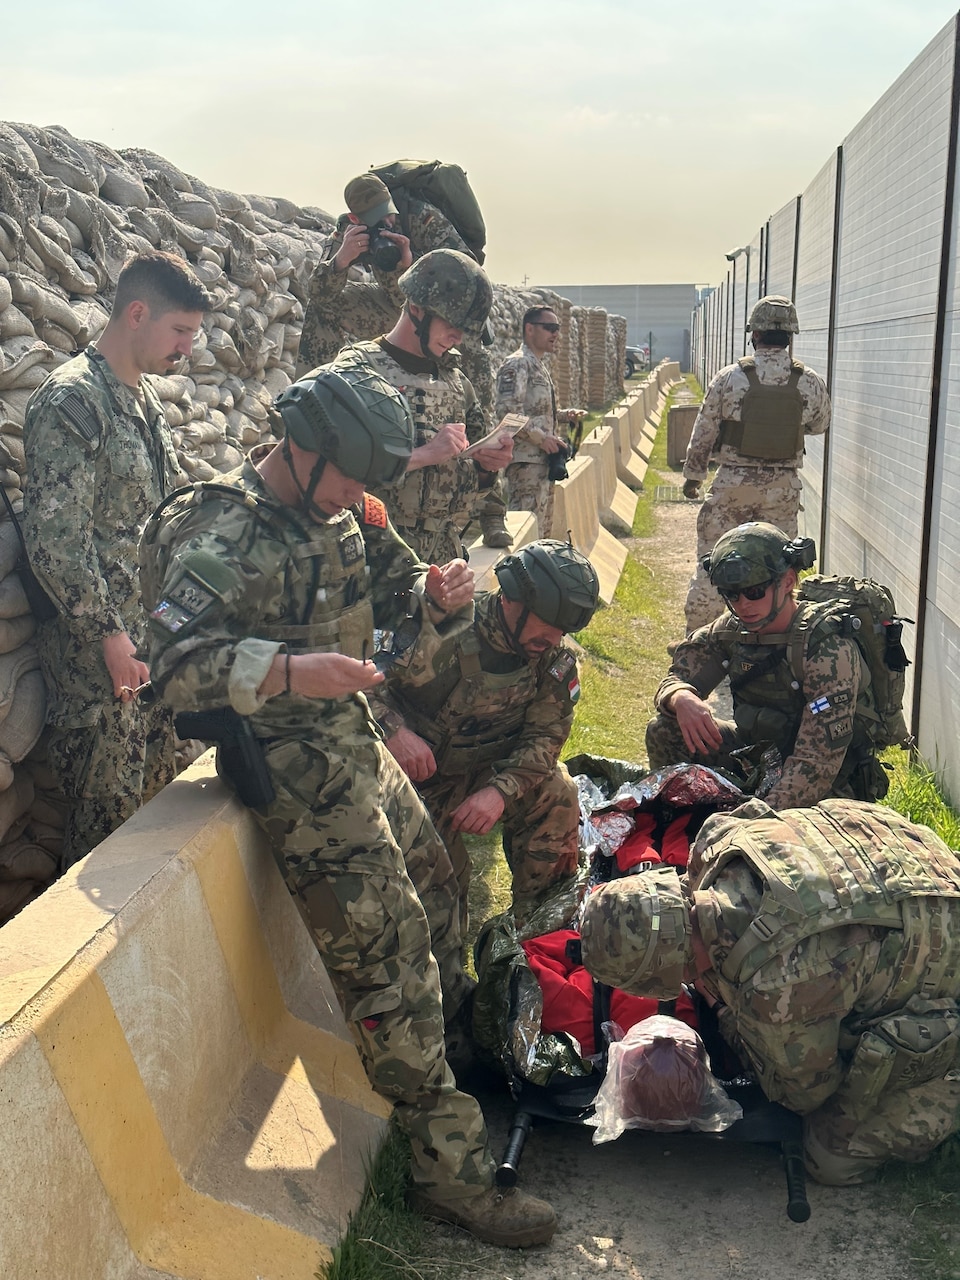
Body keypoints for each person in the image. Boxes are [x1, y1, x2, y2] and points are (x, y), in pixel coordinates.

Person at [139, 363, 556, 1248]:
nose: (361, 497)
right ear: (303, 448)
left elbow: (388, 580)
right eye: (353, 478)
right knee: (388, 957)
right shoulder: (217, 531)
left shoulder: (340, 510)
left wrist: (429, 594)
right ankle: (452, 1172)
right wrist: (290, 671)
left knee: (441, 886)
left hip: (352, 735)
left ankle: (460, 1054)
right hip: (294, 767)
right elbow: (168, 669)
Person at [579, 796, 960, 1187]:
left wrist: (728, 1014)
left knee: (828, 1153)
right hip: (921, 866)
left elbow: (806, 1093)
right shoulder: (717, 842)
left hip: (944, 946)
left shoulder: (774, 988)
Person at [22, 249, 209, 867]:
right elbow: (56, 539)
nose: (187, 348)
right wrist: (108, 635)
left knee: (153, 821)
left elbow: (168, 514)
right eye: (179, 330)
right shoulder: (74, 401)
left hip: (150, 647)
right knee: (104, 835)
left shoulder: (145, 402)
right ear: (137, 313)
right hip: (98, 665)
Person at [372, 539, 600, 926]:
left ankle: (542, 928)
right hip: (415, 785)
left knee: (558, 792)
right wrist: (392, 730)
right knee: (442, 891)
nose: (555, 639)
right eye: (548, 621)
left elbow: (545, 739)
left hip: (483, 777)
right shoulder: (438, 630)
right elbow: (352, 684)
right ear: (512, 599)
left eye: (563, 630)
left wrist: (499, 792)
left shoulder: (550, 661)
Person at [297, 175, 511, 549]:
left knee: (469, 384)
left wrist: (482, 463)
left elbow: (465, 287)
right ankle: (310, 398)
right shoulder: (347, 233)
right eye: (378, 222)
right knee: (322, 313)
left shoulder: (427, 221)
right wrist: (342, 260)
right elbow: (321, 296)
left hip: (427, 299)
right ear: (355, 217)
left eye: (390, 219)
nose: (387, 227)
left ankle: (493, 511)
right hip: (408, 310)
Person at [645, 521, 889, 808]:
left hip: (827, 785)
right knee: (663, 729)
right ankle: (675, 818)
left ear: (786, 581)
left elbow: (815, 763)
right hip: (760, 760)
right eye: (732, 594)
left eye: (755, 591)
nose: (743, 604)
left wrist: (752, 819)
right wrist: (681, 697)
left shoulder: (826, 648)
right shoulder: (733, 629)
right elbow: (678, 675)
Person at [328, 249, 513, 564]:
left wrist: (486, 469)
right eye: (451, 324)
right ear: (416, 306)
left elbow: (462, 488)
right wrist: (423, 455)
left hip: (442, 559)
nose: (456, 338)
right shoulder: (356, 372)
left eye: (464, 331)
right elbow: (331, 473)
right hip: (378, 560)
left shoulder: (458, 385)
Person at [682, 295, 831, 633]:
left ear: (754, 334)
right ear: (790, 336)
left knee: (714, 561)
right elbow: (821, 423)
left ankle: (698, 642)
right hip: (782, 490)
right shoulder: (807, 380)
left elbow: (704, 431)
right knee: (778, 568)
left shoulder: (731, 377)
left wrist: (693, 475)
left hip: (733, 486)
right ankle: (774, 640)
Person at [494, 306, 581, 538]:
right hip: (526, 465)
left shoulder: (538, 365)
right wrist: (541, 439)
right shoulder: (517, 364)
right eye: (549, 328)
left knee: (541, 533)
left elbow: (535, 411)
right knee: (526, 533)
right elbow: (507, 412)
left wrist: (563, 415)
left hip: (543, 463)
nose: (555, 334)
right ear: (530, 329)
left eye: (558, 328)